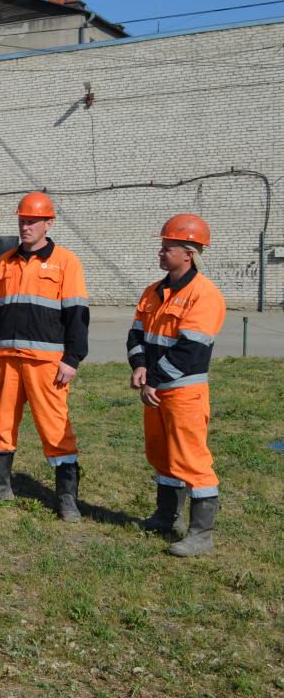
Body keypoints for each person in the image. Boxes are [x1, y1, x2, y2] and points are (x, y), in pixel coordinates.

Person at [0, 192, 89, 522]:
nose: (24, 226)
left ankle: (66, 498)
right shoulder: (5, 261)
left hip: (47, 362)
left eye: (31, 221)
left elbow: (77, 314)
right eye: (21, 220)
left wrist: (72, 358)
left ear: (48, 223)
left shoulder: (66, 262)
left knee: (55, 429)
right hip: (7, 360)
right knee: (3, 424)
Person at [128, 214, 226, 557]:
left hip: (184, 392)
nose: (160, 251)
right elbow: (137, 333)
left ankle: (202, 534)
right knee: (162, 455)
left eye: (166, 247)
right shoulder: (153, 291)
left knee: (191, 460)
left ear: (188, 253)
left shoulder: (205, 295)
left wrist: (152, 379)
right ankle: (166, 517)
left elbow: (191, 350)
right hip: (155, 390)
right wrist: (139, 366)